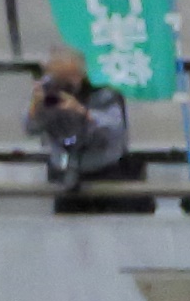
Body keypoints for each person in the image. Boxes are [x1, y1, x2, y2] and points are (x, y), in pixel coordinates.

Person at [26, 47, 140, 210]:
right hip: (64, 173)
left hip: (105, 172)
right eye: (60, 78)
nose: (66, 85)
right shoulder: (48, 90)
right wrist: (35, 109)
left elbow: (113, 130)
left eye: (70, 76)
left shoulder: (103, 91)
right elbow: (30, 129)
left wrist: (83, 112)